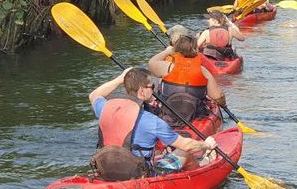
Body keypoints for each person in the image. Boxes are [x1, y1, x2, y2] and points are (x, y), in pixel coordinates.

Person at [88, 67, 217, 180]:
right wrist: (206, 145)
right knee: (184, 152)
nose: (154, 91)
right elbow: (187, 146)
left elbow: (94, 95)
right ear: (142, 91)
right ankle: (202, 167)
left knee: (161, 152)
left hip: (107, 170)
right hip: (140, 174)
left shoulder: (106, 108)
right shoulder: (151, 121)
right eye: (152, 86)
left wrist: (121, 78)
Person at [148, 30, 227, 125]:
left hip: (168, 114)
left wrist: (167, 51)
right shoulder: (202, 70)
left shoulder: (167, 67)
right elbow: (218, 96)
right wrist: (222, 104)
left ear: (175, 50)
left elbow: (151, 63)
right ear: (196, 50)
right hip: (194, 115)